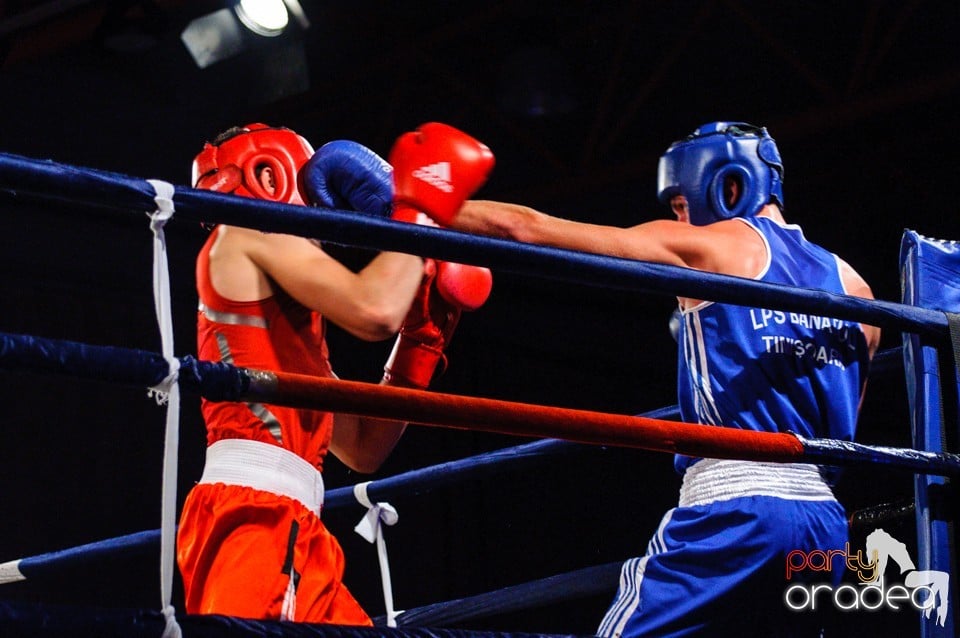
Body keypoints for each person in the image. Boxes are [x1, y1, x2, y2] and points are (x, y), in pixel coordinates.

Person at [441, 122, 882, 636]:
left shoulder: (711, 251)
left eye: (679, 204)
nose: (679, 217)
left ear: (728, 187)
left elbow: (526, 229)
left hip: (736, 511)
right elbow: (839, 447)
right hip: (825, 528)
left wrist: (402, 199)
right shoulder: (859, 292)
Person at [176, 122, 495, 624]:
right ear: (271, 176)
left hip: (296, 522)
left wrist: (421, 342)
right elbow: (375, 309)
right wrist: (418, 208)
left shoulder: (287, 330)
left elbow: (364, 447)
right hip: (256, 517)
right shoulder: (243, 234)